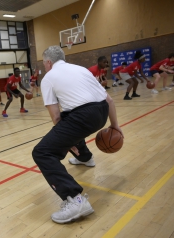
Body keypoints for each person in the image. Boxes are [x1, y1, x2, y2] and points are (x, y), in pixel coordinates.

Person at [32, 45, 122, 224]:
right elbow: (109, 99)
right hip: (102, 113)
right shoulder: (82, 69)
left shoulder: (48, 77)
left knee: (41, 152)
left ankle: (74, 199)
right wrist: (115, 126)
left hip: (83, 116)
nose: (44, 67)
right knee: (69, 116)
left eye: (44, 63)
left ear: (49, 62)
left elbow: (56, 116)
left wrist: (68, 141)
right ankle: (85, 157)